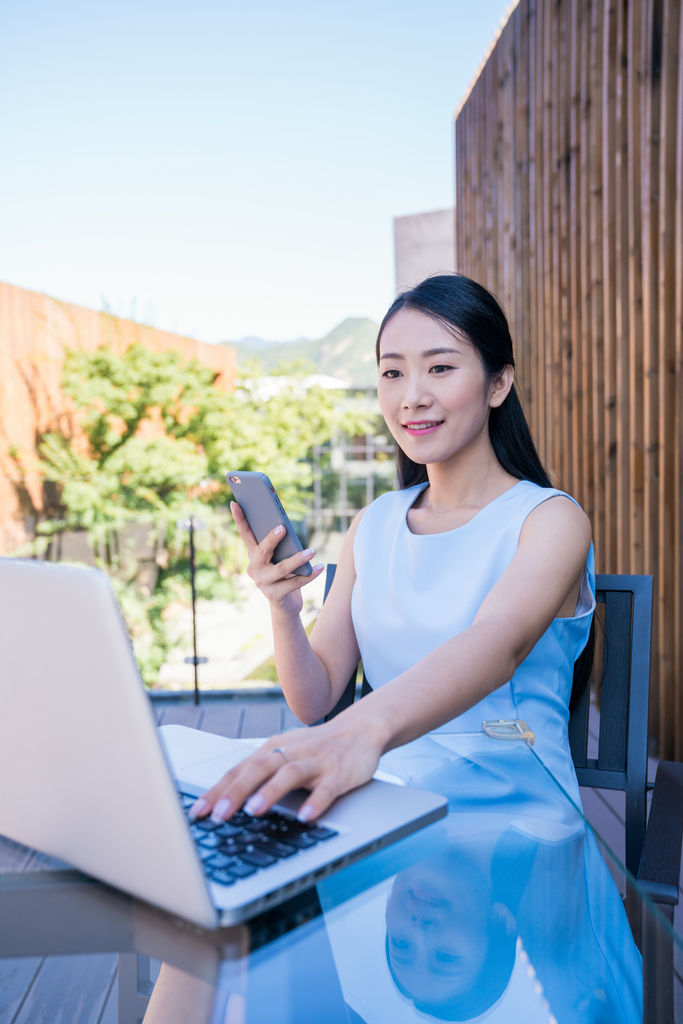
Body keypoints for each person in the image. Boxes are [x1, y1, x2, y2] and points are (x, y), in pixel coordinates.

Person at [190, 273, 594, 823]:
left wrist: (358, 733)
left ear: (498, 384)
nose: (412, 396)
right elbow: (315, 700)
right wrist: (284, 610)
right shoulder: (375, 524)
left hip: (514, 813)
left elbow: (497, 644)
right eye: (392, 373)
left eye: (441, 367)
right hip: (385, 798)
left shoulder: (550, 520)